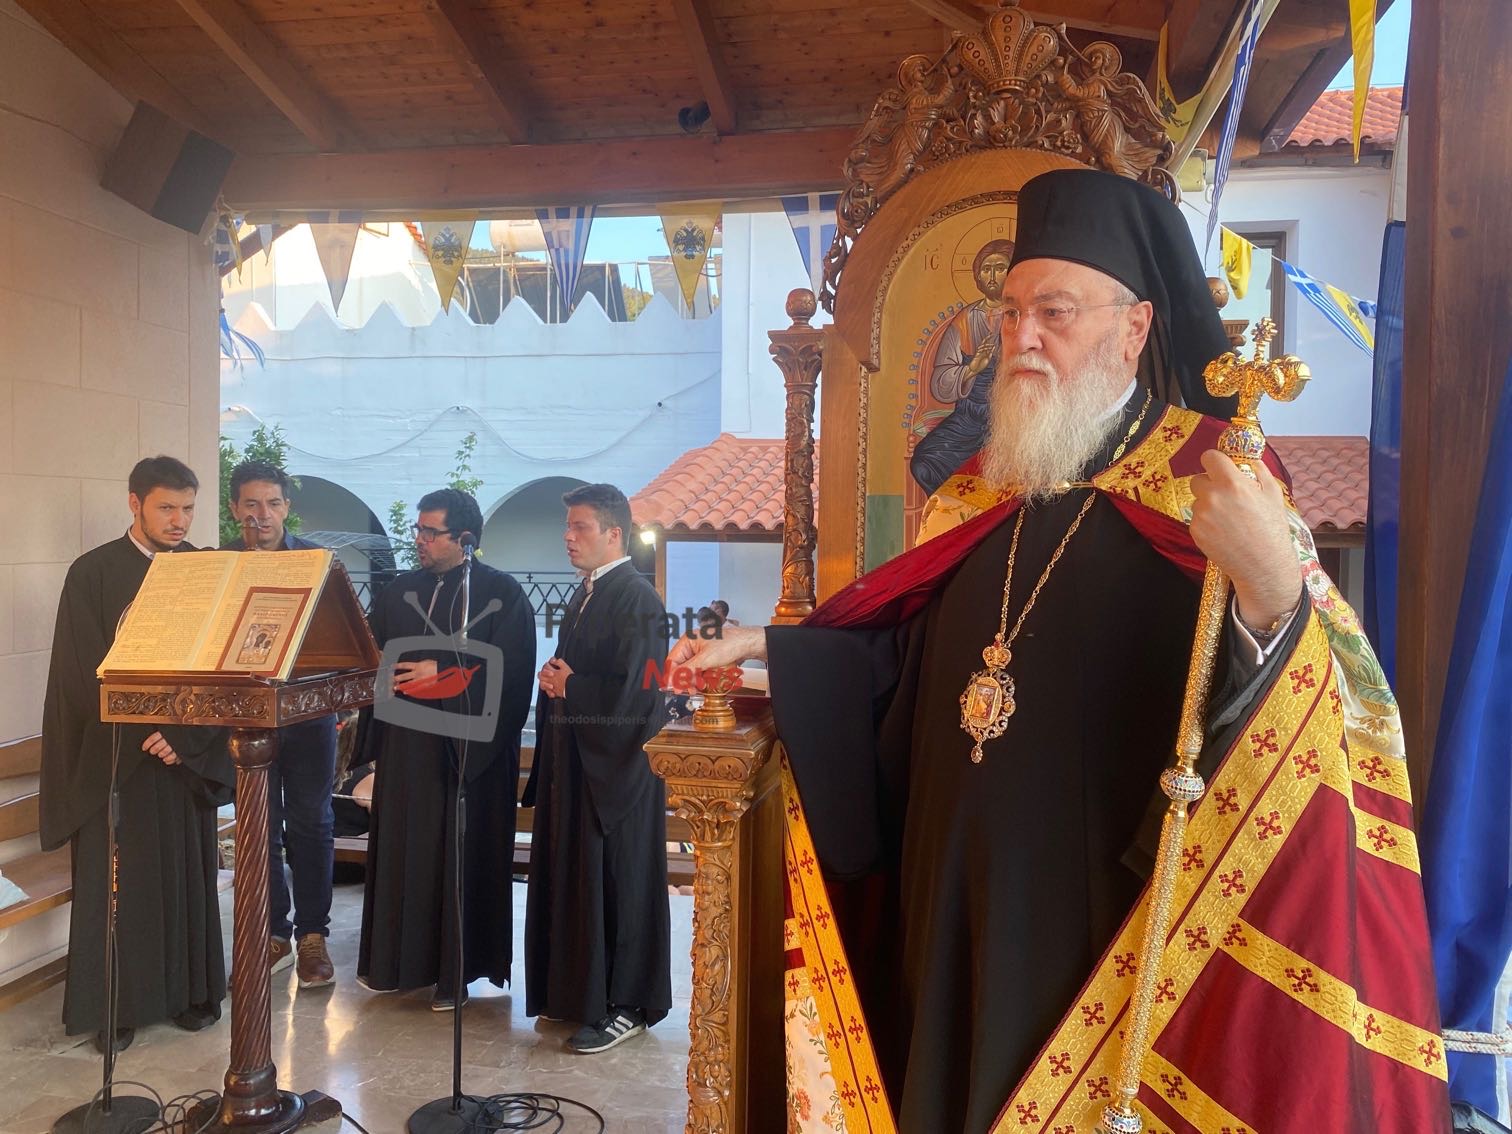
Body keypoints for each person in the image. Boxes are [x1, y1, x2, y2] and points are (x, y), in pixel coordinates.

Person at [670, 169, 1448, 1132]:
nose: (1023, 336)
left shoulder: (1212, 475)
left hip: (1103, 913)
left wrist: (1269, 587)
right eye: (1010, 313)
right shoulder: (979, 491)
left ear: (1133, 328)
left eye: (1055, 311)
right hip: (950, 892)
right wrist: (783, 649)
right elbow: (905, 662)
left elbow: (1325, 698)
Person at [39, 456, 235, 1053]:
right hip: (118, 757)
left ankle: (190, 993)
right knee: (119, 884)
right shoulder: (93, 573)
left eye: (188, 509)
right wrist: (145, 728)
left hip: (183, 758)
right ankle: (117, 1005)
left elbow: (222, 667)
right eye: (166, 508)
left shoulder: (206, 571)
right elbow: (80, 672)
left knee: (186, 877)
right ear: (134, 504)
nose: (179, 521)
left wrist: (186, 738)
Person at [356, 488, 535, 1008]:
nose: (420, 540)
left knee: (457, 859)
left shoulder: (500, 593)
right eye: (418, 530)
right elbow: (369, 658)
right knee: (406, 857)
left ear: (465, 539)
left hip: (465, 760)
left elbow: (513, 673)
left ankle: (455, 974)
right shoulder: (399, 591)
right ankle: (399, 965)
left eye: (430, 532)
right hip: (406, 753)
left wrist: (452, 676)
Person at [524, 484, 672, 1053]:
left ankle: (628, 1005)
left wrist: (572, 686)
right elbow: (585, 674)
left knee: (621, 885)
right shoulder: (586, 593)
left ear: (615, 534)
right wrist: (556, 681)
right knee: (582, 883)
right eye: (567, 526)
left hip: (620, 775)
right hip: (581, 765)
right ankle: (580, 996)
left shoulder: (638, 599)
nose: (568, 536)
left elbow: (639, 696)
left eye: (580, 526)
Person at [222, 459, 338, 989]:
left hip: (309, 713)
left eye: (272, 503)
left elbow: (341, 635)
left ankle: (313, 935)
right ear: (234, 509)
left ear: (287, 507)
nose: (262, 515)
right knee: (258, 827)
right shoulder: (220, 564)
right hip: (246, 715)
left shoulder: (316, 563)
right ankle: (273, 933)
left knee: (311, 821)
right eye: (251, 504)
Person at [908, 238, 1014, 495]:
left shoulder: (1021, 316)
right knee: (924, 462)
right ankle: (953, 512)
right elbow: (940, 381)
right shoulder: (966, 320)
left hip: (1010, 417)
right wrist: (972, 368)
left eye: (1000, 268)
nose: (992, 276)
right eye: (986, 269)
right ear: (977, 276)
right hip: (969, 417)